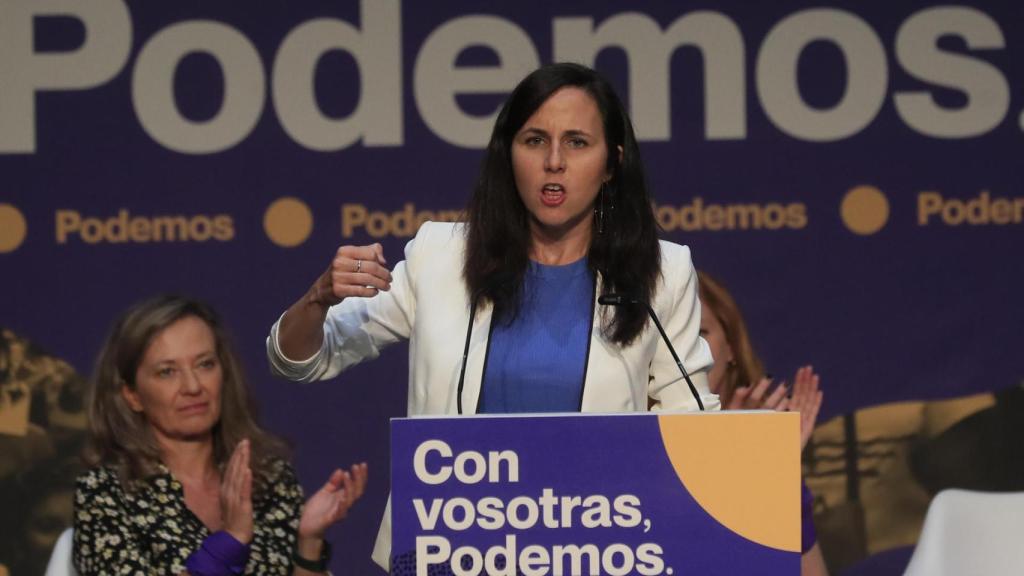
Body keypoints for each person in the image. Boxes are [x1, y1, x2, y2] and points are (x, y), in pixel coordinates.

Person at [267, 63, 718, 569]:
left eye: (576, 142)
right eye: (533, 140)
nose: (553, 162)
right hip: (447, 550)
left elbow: (692, 424)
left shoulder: (661, 271)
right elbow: (300, 361)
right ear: (508, 154)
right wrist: (316, 299)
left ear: (611, 163)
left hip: (595, 551)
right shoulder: (440, 257)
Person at [74, 296, 368, 575]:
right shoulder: (106, 494)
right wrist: (229, 542)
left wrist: (309, 543)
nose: (192, 386)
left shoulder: (268, 479)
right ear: (132, 395)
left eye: (205, 364)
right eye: (167, 372)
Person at [697, 270, 828, 576]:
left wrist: (770, 477)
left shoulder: (768, 448)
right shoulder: (630, 447)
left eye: (701, 332)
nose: (687, 348)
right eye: (672, 332)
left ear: (730, 347)